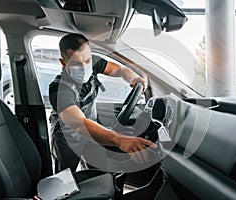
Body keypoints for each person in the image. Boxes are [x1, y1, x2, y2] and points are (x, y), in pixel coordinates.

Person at [49, 33, 156, 172]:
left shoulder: (93, 62)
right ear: (63, 63)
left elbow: (119, 69)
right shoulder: (59, 89)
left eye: (87, 61)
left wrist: (133, 78)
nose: (84, 66)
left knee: (96, 168)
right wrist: (119, 140)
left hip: (93, 128)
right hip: (68, 137)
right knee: (66, 175)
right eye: (75, 63)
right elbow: (79, 124)